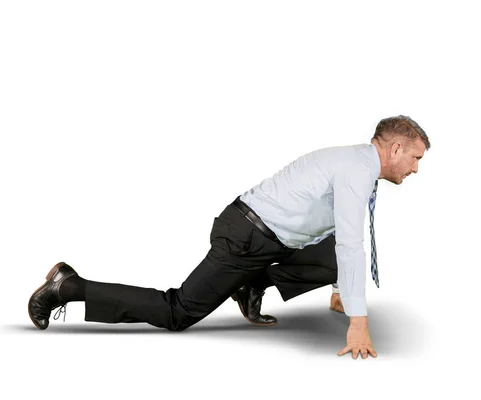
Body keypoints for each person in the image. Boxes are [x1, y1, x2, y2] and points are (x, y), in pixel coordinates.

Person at [28, 115, 430, 359]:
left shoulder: (358, 163)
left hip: (270, 237)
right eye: (415, 158)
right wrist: (358, 321)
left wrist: (343, 288)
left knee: (336, 255)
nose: (415, 169)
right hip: (245, 236)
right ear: (395, 148)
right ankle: (69, 287)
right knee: (177, 312)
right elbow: (351, 244)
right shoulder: (356, 170)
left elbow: (344, 236)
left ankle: (250, 284)